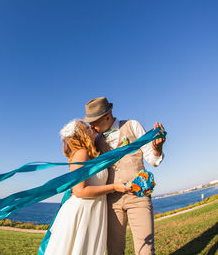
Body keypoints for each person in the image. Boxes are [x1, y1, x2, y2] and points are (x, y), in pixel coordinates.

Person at [83, 97, 166, 255]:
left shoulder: (132, 125)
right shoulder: (95, 140)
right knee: (114, 251)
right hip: (111, 203)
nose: (90, 126)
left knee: (146, 251)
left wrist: (157, 149)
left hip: (139, 197)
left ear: (107, 116)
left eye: (93, 121)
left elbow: (153, 159)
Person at [44, 119, 131, 255]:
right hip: (82, 212)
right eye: (87, 128)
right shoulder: (81, 154)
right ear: (82, 134)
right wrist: (114, 187)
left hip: (93, 209)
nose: (91, 128)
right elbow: (80, 191)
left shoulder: (91, 155)